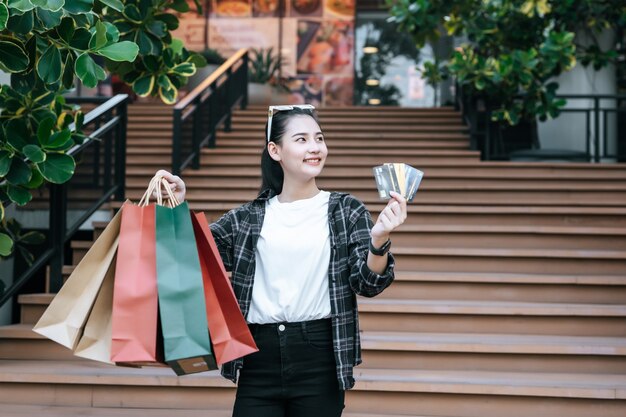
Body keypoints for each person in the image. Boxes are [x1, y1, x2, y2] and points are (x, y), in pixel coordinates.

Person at [154, 104, 407, 417]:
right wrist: (177, 207)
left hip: (319, 354)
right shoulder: (247, 218)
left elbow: (367, 283)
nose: (315, 148)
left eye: (319, 138)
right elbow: (193, 256)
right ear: (275, 150)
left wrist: (378, 240)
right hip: (258, 356)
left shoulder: (345, 209)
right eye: (301, 140)